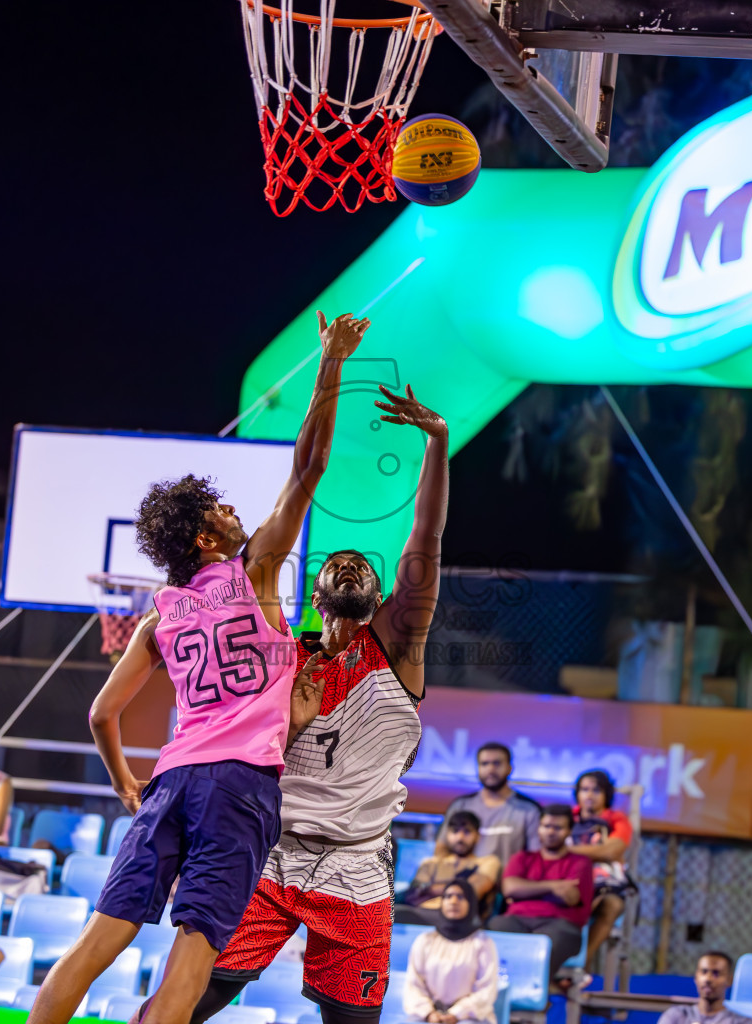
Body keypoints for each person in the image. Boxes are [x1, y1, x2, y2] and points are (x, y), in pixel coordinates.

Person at [29, 310, 371, 1024]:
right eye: (219, 504)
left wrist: (126, 780)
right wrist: (331, 362)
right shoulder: (254, 573)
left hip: (172, 779)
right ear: (204, 532)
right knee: (192, 956)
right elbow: (309, 468)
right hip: (238, 788)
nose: (232, 506)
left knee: (96, 945)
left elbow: (101, 714)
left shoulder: (160, 615)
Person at [193, 382, 449, 1024]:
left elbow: (427, 536)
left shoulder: (397, 646)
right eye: (336, 614)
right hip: (272, 855)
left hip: (358, 865)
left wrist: (437, 443)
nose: (344, 633)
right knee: (189, 1002)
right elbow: (296, 488)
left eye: (359, 617)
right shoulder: (280, 650)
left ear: (373, 604)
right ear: (320, 597)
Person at [486, 805, 593, 980]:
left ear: (569, 831)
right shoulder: (522, 858)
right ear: (538, 828)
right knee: (495, 928)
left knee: (544, 947)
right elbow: (510, 888)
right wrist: (552, 886)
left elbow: (571, 897)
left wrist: (528, 889)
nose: (551, 832)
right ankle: (496, 993)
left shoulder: (580, 863)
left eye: (558, 828)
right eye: (546, 826)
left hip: (559, 925)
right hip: (516, 921)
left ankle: (533, 1000)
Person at [402, 882, 500, 1024]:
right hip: (431, 1015)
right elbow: (413, 985)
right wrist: (429, 1013)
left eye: (460, 897)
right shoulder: (425, 940)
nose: (453, 901)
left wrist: (456, 1014)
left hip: (469, 1016)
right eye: (448, 896)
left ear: (471, 903)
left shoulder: (482, 943)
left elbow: (486, 990)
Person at [568, 769, 638, 968]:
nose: (589, 795)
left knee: (613, 905)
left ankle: (580, 965)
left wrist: (568, 850)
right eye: (584, 789)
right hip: (569, 880)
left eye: (596, 790)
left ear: (606, 794)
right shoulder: (566, 817)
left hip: (604, 883)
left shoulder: (617, 819)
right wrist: (596, 851)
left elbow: (611, 852)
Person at [395, 811, 500, 927]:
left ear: (477, 836)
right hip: (421, 913)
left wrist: (430, 889)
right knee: (393, 913)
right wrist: (461, 884)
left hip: (461, 917)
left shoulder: (488, 862)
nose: (460, 837)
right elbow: (414, 895)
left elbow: (472, 892)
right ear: (447, 834)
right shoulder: (431, 863)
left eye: (467, 832)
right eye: (455, 831)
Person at [445, 745, 541, 868]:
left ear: (510, 768)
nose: (490, 769)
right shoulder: (460, 805)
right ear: (477, 768)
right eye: (484, 764)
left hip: (509, 885)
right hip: (461, 883)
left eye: (497, 763)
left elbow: (536, 857)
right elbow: (442, 848)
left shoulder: (529, 809)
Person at [655, 952, 752, 1024]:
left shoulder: (742, 1022)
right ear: (696, 977)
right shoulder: (676, 1015)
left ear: (729, 980)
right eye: (704, 972)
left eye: (716, 973)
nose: (708, 979)